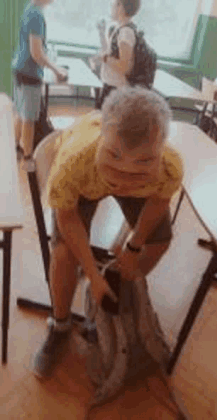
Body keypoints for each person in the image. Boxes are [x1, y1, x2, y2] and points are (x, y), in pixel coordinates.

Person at [32, 86, 183, 380]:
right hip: (86, 182)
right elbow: (68, 218)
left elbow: (159, 200)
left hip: (130, 180)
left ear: (161, 151)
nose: (123, 180)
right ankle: (60, 325)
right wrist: (92, 273)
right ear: (102, 138)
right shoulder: (72, 163)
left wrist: (135, 247)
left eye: (141, 164)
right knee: (64, 254)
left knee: (160, 241)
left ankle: (113, 304)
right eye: (114, 157)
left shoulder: (169, 166)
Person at [11, 0, 68, 168]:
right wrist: (57, 70)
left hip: (19, 69)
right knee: (30, 120)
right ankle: (27, 159)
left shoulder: (31, 9)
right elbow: (37, 53)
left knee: (20, 111)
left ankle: (15, 148)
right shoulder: (37, 16)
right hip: (29, 73)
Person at [95, 0, 141, 109]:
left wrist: (104, 58)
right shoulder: (119, 28)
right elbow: (109, 52)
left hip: (116, 90)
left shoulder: (126, 32)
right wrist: (101, 33)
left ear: (120, 7)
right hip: (110, 86)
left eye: (113, 4)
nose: (111, 8)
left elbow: (124, 67)